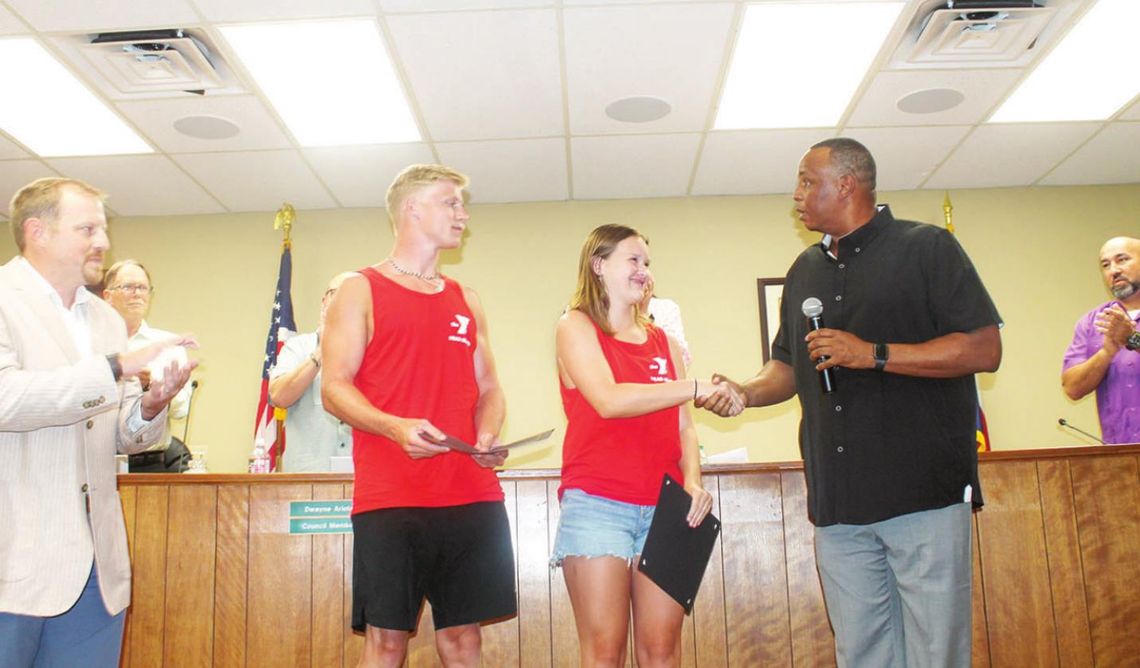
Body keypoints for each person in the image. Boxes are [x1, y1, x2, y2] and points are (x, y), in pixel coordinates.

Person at [699, 138, 1002, 668]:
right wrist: (745, 392)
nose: (796, 195)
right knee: (860, 652)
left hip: (923, 492)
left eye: (806, 181)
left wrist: (873, 354)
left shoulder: (927, 247)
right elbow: (788, 366)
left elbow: (984, 348)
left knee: (935, 650)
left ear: (846, 184)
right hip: (838, 505)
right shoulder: (803, 271)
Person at [320, 164, 516, 667]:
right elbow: (334, 388)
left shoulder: (465, 298)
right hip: (391, 497)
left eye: (461, 204)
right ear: (412, 209)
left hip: (469, 493)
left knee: (464, 640)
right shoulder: (359, 289)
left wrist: (486, 433)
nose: (462, 213)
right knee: (386, 643)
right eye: (450, 202)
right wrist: (394, 426)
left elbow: (490, 387)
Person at [0, 177, 196, 666]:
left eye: (103, 229)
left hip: (97, 566)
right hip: (15, 556)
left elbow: (123, 436)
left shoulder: (107, 321)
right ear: (37, 232)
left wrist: (152, 404)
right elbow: (6, 401)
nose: (103, 243)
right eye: (87, 228)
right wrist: (113, 368)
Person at [552, 223, 734, 667]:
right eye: (633, 260)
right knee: (604, 654)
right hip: (598, 505)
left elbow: (684, 428)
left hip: (667, 508)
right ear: (599, 266)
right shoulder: (574, 326)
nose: (644, 270)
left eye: (647, 263)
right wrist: (691, 386)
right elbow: (609, 400)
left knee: (662, 653)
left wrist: (693, 482)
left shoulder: (665, 343)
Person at [268, 272, 355, 471]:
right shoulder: (296, 347)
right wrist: (322, 351)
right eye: (337, 294)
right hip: (307, 480)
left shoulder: (376, 351)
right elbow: (279, 397)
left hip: (361, 479)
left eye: (352, 296)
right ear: (324, 302)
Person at [103, 259, 192, 453]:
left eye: (143, 288)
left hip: (151, 465)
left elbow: (181, 411)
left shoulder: (169, 346)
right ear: (108, 296)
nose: (137, 293)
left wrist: (153, 389)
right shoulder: (90, 346)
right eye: (128, 287)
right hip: (101, 461)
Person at [1062, 236, 1140, 444]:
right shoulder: (1091, 322)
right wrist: (1106, 353)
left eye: (1122, 260)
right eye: (1105, 265)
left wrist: (1132, 339)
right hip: (1118, 459)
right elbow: (1072, 388)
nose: (1113, 270)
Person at [638, 272, 692, 368]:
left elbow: (680, 362)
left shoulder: (665, 308)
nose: (641, 270)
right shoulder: (607, 314)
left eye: (645, 264)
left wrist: (643, 313)